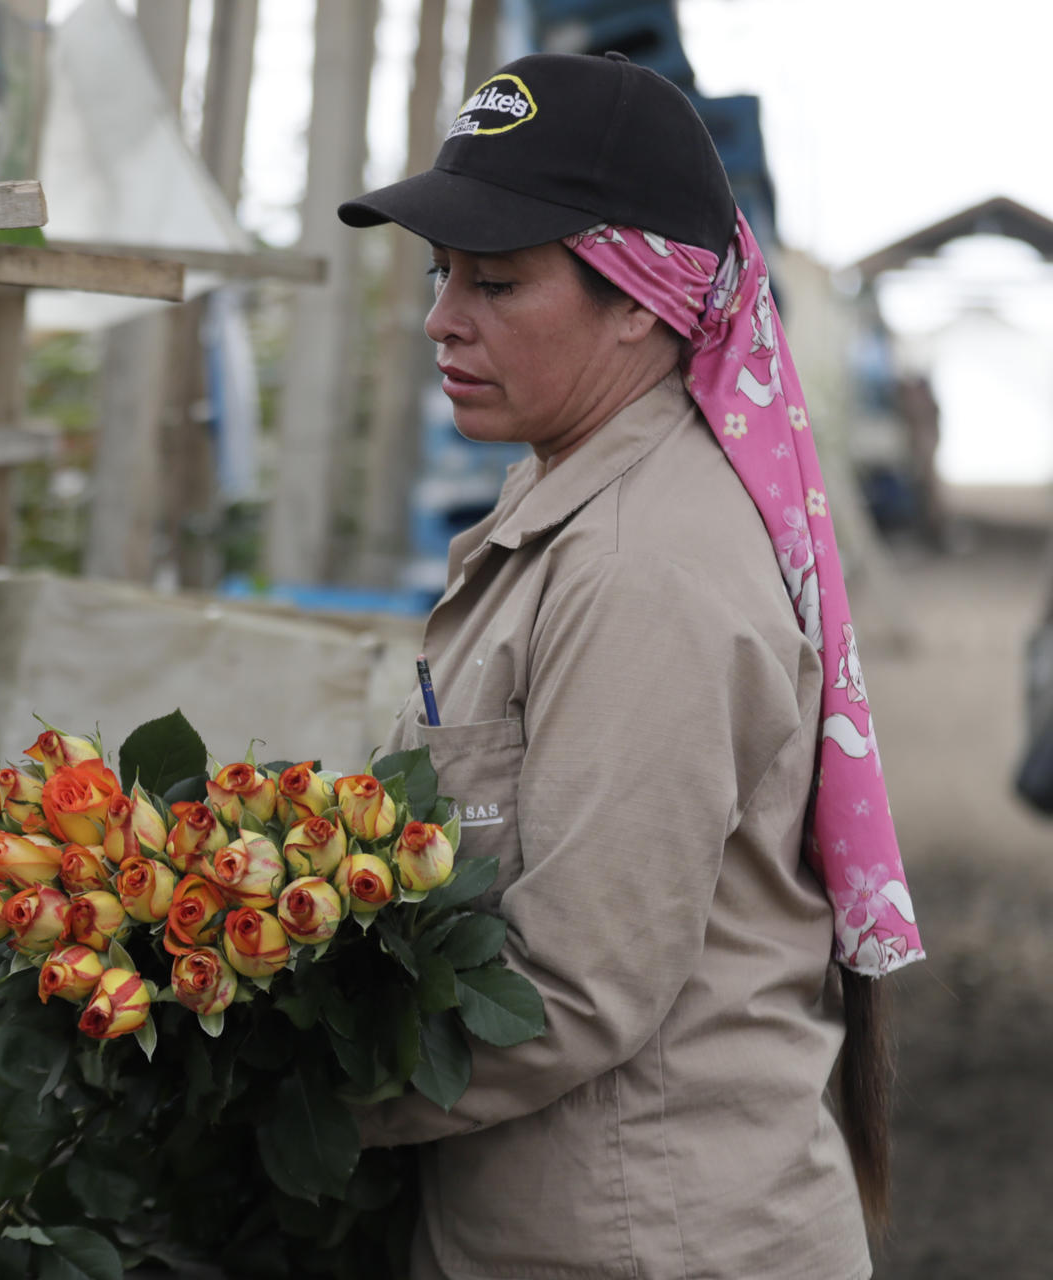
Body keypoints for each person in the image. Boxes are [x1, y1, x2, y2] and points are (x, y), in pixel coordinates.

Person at [337, 52, 924, 1280]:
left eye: (497, 280)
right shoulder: (566, 495)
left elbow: (568, 988)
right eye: (442, 274)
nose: (445, 317)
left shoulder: (644, 565)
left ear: (642, 300)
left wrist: (268, 1091)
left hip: (643, 1242)